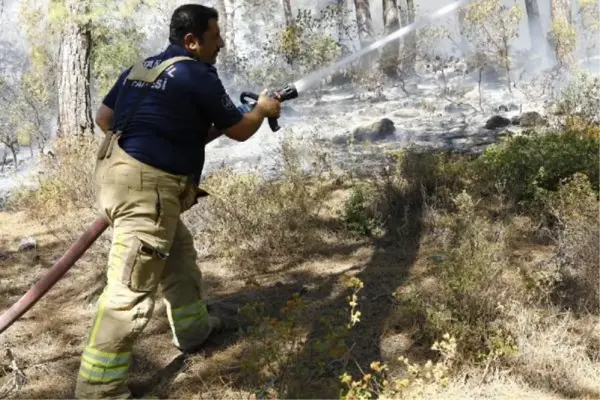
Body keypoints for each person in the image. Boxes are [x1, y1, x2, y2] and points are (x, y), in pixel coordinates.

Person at [74, 4, 281, 400]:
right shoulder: (196, 72)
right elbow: (238, 130)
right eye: (215, 38)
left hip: (118, 175)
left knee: (178, 254)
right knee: (129, 291)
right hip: (146, 188)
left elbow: (105, 118)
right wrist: (263, 110)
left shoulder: (144, 66)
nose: (220, 45)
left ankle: (193, 329)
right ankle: (99, 390)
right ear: (192, 41)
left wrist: (164, 130)